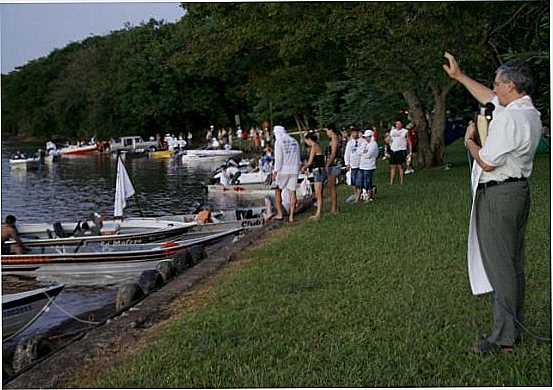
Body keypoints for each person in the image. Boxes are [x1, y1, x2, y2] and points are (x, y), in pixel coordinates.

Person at [443, 52, 542, 354]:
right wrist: (460, 77)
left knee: (500, 267)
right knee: (512, 265)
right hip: (516, 192)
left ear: (511, 86)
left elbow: (485, 162)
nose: (494, 88)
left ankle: (503, 338)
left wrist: (470, 141)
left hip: (500, 195)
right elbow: (490, 98)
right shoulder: (528, 112)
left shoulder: (512, 117)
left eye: (498, 84)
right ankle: (512, 328)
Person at [272, 125, 301, 223]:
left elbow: (278, 159)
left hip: (283, 170)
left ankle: (280, 214)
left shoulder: (278, 142)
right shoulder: (294, 141)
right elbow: (298, 156)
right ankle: (291, 217)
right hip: (294, 169)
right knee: (292, 192)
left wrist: (275, 171)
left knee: (277, 191)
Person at [302, 132, 325, 220]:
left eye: (306, 140)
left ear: (309, 139)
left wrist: (304, 168)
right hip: (319, 170)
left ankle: (318, 214)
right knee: (319, 193)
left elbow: (310, 161)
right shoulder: (317, 145)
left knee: (318, 193)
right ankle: (319, 212)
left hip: (318, 171)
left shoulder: (314, 146)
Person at [324, 124, 343, 215]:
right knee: (331, 186)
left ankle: (334, 209)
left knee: (332, 187)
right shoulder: (335, 138)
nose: (326, 133)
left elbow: (333, 153)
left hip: (334, 164)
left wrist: (327, 164)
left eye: (326, 131)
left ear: (330, 130)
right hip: (333, 164)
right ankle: (335, 207)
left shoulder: (334, 138)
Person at [357, 129, 379, 202]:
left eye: (368, 137)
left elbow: (368, 155)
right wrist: (364, 152)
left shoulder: (374, 144)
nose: (366, 138)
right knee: (362, 181)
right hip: (362, 165)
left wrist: (363, 153)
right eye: (365, 137)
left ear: (371, 136)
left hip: (369, 166)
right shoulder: (364, 143)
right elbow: (358, 151)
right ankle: (366, 194)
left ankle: (369, 196)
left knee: (368, 181)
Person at [344, 128, 361, 204]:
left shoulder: (362, 141)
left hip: (361, 165)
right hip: (353, 165)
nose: (354, 134)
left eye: (356, 132)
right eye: (353, 133)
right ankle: (355, 194)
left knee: (359, 181)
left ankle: (359, 196)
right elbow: (347, 154)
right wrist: (347, 163)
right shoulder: (350, 143)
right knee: (353, 181)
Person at [389, 121, 408, 185]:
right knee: (392, 166)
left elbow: (408, 140)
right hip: (393, 150)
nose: (398, 125)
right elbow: (390, 139)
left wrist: (409, 151)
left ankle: (402, 182)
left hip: (401, 150)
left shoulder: (405, 131)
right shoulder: (392, 131)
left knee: (400, 166)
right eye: (397, 124)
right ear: (395, 125)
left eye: (400, 124)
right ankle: (391, 182)